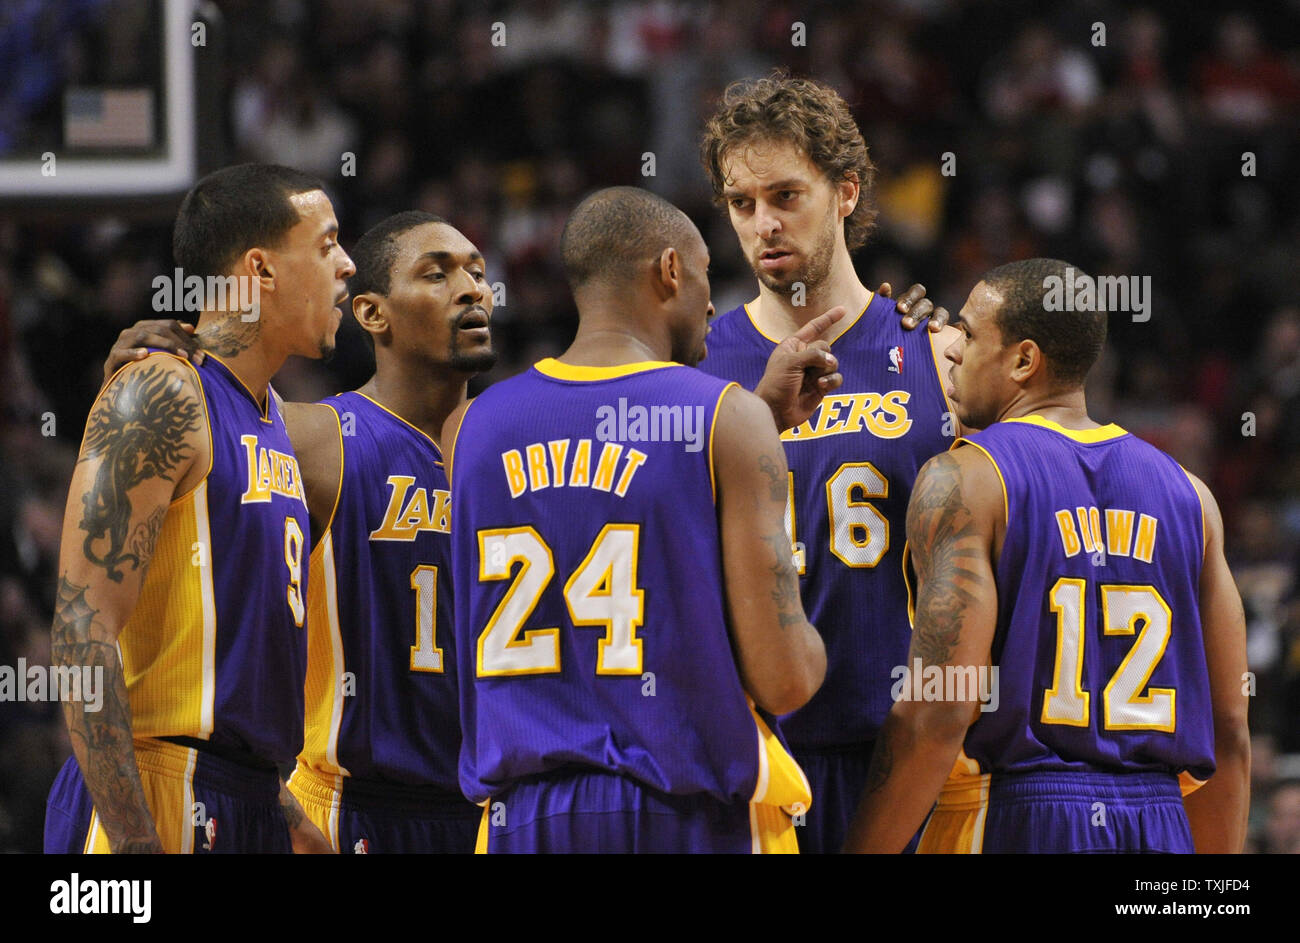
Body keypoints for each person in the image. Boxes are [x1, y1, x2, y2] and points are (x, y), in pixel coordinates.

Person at [98, 212, 499, 853]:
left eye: (479, 272)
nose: (474, 288)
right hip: (349, 807)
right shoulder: (312, 437)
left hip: (488, 813)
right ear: (371, 314)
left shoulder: (516, 448)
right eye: (438, 273)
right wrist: (155, 365)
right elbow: (210, 431)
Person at [443, 186, 828, 853]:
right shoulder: (726, 418)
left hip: (521, 819)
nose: (712, 303)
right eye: (706, 277)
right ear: (670, 269)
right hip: (683, 814)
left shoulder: (472, 427)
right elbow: (784, 676)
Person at [843, 258, 1251, 853]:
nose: (953, 351)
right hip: (1159, 821)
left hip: (1018, 813)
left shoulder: (967, 477)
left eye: (971, 334)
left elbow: (940, 710)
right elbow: (1231, 728)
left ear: (1023, 360)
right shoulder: (1193, 496)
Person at [44, 163, 353, 853]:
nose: (347, 264)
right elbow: (79, 628)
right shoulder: (163, 390)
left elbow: (224, 671)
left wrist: (288, 818)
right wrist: (132, 844)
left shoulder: (271, 418)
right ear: (260, 269)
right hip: (155, 789)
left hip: (246, 795)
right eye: (328, 243)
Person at [697, 71, 959, 854]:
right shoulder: (696, 365)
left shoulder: (938, 353)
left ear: (846, 191)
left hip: (906, 751)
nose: (763, 224)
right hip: (754, 751)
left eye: (786, 195)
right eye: (742, 204)